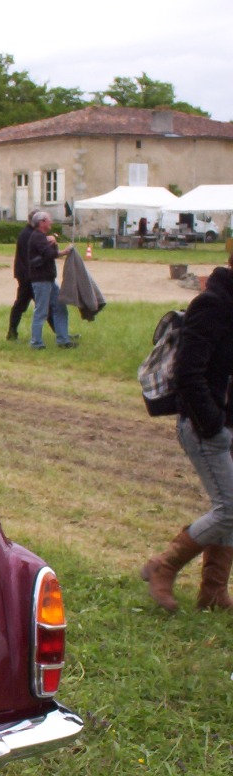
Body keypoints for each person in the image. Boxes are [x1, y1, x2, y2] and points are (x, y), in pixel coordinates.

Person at [141, 254, 233, 611]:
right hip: (203, 426)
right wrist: (210, 422)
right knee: (229, 509)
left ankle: (212, 594)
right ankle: (164, 566)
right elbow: (188, 372)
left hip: (225, 423)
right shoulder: (212, 304)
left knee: (227, 505)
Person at [27, 211, 74, 349]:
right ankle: (36, 342)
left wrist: (51, 242)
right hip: (41, 280)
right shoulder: (37, 237)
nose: (51, 222)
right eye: (49, 220)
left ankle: (63, 340)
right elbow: (49, 254)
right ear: (42, 223)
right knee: (41, 311)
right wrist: (62, 250)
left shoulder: (40, 237)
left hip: (48, 279)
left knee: (60, 307)